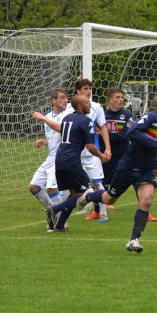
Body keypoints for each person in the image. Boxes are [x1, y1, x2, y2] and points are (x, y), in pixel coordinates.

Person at [77, 93, 157, 253]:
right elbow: (132, 132)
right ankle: (88, 196)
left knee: (147, 201)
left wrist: (154, 164)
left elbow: (149, 146)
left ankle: (134, 240)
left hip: (146, 170)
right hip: (129, 167)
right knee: (109, 199)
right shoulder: (151, 117)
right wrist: (156, 144)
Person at [49, 95, 110, 231]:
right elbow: (90, 146)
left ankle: (59, 226)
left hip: (60, 159)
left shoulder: (66, 118)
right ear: (80, 107)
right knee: (86, 193)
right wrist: (101, 156)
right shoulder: (86, 121)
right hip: (71, 161)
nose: (90, 104)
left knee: (74, 195)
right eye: (87, 102)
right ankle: (54, 209)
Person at [99, 87, 157, 222]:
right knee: (104, 183)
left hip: (125, 155)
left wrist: (105, 134)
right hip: (107, 155)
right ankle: (98, 211)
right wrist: (107, 136)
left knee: (138, 182)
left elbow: (125, 135)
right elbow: (101, 136)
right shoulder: (102, 115)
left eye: (122, 98)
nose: (121, 100)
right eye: (118, 97)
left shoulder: (126, 115)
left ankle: (145, 211)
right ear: (110, 100)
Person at [67, 78, 111, 222]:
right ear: (78, 91)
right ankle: (64, 212)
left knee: (97, 182)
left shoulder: (96, 107)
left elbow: (103, 127)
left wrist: (108, 148)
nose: (89, 91)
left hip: (92, 152)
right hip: (75, 153)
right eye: (85, 89)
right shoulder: (69, 109)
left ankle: (103, 213)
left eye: (90, 89)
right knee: (74, 184)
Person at [30, 89, 69, 231]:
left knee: (51, 188)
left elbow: (61, 129)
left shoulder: (67, 115)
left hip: (60, 156)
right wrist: (44, 142)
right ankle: (52, 210)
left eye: (66, 98)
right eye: (62, 98)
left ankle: (61, 221)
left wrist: (43, 118)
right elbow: (53, 137)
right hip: (50, 157)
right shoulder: (48, 116)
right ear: (54, 100)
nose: (66, 101)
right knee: (33, 187)